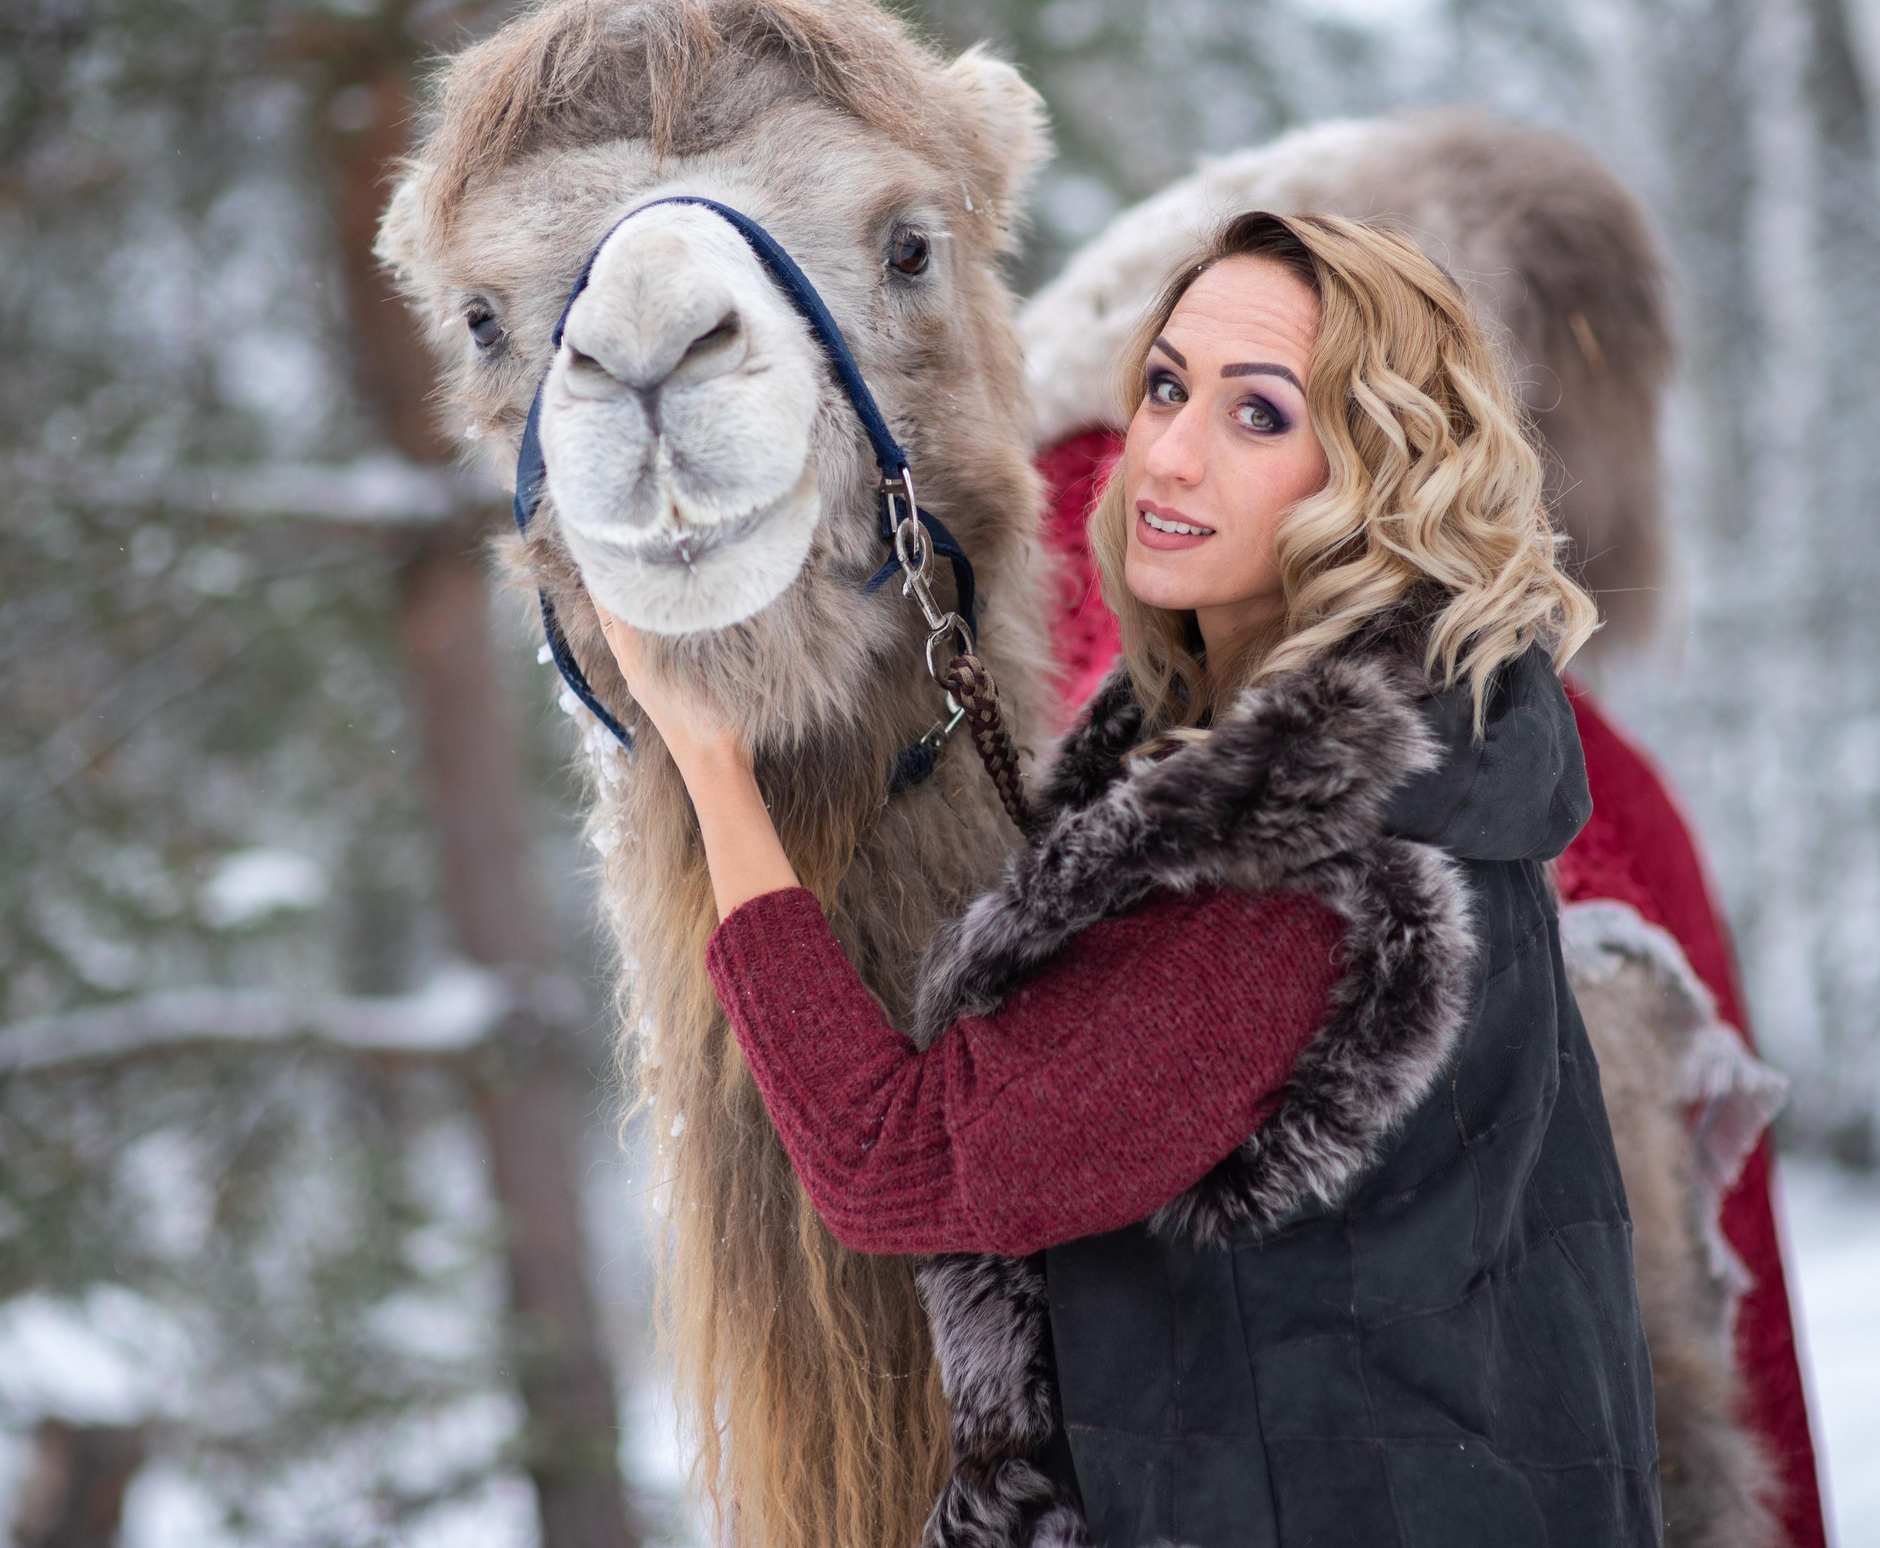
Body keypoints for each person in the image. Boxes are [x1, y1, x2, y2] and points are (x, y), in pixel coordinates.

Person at [599, 211, 1661, 1547]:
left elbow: (902, 1161)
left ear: (1379, 473)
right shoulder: (1424, 759)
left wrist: (712, 766)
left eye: (1260, 415)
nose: (1170, 449)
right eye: (1167, 385)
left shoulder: (1297, 881)